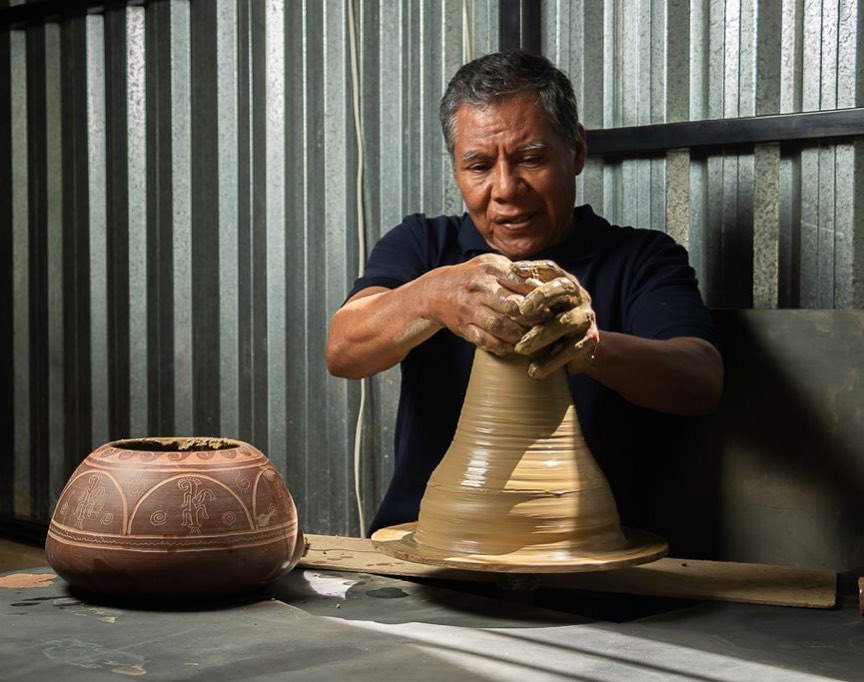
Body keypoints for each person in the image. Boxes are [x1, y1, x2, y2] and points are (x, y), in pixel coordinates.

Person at [326, 50, 723, 535]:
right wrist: (433, 295)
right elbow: (343, 351)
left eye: (530, 159)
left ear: (575, 151)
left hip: (590, 556)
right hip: (433, 547)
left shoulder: (641, 258)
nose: (507, 188)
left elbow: (701, 382)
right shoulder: (424, 246)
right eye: (478, 167)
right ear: (456, 170)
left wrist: (590, 348)